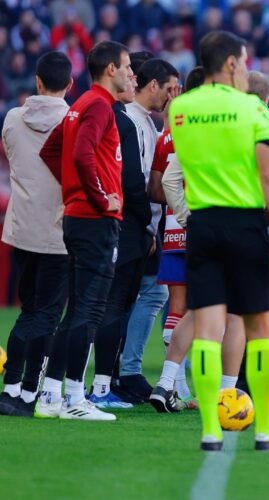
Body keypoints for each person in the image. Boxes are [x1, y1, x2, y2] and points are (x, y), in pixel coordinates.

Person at [169, 30, 269, 451]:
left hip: (201, 224)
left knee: (206, 328)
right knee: (258, 327)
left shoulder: (180, 108)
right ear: (234, 63)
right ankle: (262, 431)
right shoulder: (254, 109)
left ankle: (209, 429)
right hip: (245, 223)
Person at [37, 40, 131, 421]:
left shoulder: (79, 105)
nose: (130, 74)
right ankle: (76, 398)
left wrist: (74, 190)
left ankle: (50, 394)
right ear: (110, 69)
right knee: (89, 310)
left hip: (79, 217)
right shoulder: (98, 106)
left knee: (76, 310)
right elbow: (80, 154)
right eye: (126, 67)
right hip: (94, 220)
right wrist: (97, 195)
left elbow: (51, 151)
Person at [150, 67, 249, 413]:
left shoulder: (191, 131)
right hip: (237, 229)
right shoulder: (246, 124)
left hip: (202, 230)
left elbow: (169, 181)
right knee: (236, 314)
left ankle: (165, 384)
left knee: (194, 309)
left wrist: (185, 216)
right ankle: (225, 396)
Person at [0, 52, 72, 418]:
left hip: (21, 227)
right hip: (59, 230)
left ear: (37, 81)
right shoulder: (73, 120)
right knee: (47, 315)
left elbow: (13, 158)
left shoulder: (13, 118)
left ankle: (11, 386)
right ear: (70, 84)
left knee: (28, 310)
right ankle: (29, 393)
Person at [84, 58, 149, 410]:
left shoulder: (88, 108)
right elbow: (131, 180)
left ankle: (71, 384)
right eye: (129, 70)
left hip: (105, 219)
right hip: (117, 222)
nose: (132, 78)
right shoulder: (115, 116)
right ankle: (98, 386)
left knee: (98, 306)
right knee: (108, 307)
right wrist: (146, 220)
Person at [117, 58, 180, 403]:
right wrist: (147, 225)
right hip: (142, 223)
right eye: (171, 86)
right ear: (153, 84)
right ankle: (123, 372)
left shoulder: (145, 124)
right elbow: (143, 184)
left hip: (148, 223)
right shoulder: (133, 121)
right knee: (139, 296)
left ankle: (123, 371)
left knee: (145, 295)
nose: (175, 93)